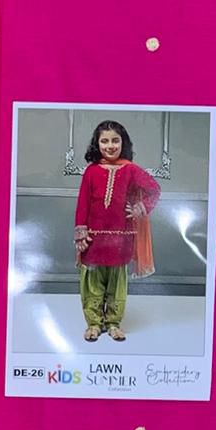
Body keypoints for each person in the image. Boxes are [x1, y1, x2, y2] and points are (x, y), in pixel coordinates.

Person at [73, 120, 160, 342]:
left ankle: (113, 323)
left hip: (122, 238)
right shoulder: (91, 171)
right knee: (92, 282)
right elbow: (83, 203)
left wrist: (141, 208)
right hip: (93, 238)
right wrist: (81, 231)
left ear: (123, 143)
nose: (110, 146)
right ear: (97, 143)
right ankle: (94, 324)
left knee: (117, 283)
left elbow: (154, 189)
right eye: (104, 141)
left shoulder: (131, 170)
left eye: (115, 140)